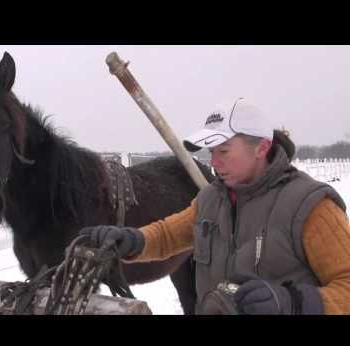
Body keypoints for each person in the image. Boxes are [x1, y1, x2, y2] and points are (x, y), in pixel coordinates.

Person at [79, 97, 350, 315]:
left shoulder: (310, 206)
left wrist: (291, 303)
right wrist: (133, 240)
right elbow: (169, 235)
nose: (215, 163)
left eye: (224, 151)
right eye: (211, 153)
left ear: (262, 147)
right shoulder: (212, 199)